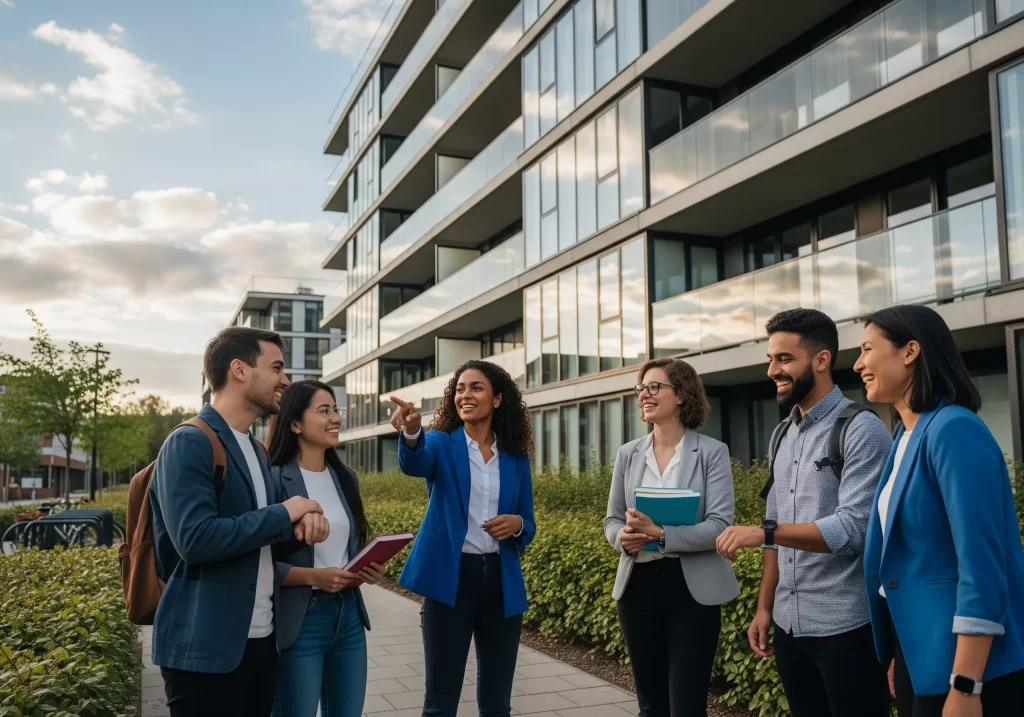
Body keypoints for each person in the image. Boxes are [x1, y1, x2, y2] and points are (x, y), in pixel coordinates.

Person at [716, 308, 892, 717]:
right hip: (789, 625)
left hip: (846, 627)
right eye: (770, 360)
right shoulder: (783, 432)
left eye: (784, 359)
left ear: (821, 360)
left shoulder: (862, 428)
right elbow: (776, 527)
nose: (772, 370)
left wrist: (765, 533)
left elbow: (854, 529)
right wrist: (764, 607)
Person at [149, 327, 330, 717]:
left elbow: (258, 531)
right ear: (239, 370)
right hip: (205, 651)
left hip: (260, 642)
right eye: (277, 367)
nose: (285, 380)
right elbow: (195, 540)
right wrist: (285, 513)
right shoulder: (190, 441)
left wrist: (299, 526)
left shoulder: (257, 450)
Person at [854, 304, 1024, 717]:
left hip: (969, 669)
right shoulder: (904, 437)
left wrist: (966, 685)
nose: (858, 364)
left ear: (910, 351)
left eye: (867, 349)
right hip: (923, 654)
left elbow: (982, 565)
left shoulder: (953, 429)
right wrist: (903, 652)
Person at [388, 359, 535, 717]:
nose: (465, 395)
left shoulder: (514, 456)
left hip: (500, 583)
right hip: (451, 583)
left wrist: (516, 523)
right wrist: (410, 432)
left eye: (476, 388)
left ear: (498, 399)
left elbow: (527, 524)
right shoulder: (440, 442)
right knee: (440, 703)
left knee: (497, 704)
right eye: (460, 389)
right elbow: (415, 463)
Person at [604, 358, 739, 717]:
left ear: (681, 395)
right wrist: (624, 538)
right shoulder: (628, 454)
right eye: (641, 389)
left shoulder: (712, 452)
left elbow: (721, 524)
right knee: (650, 704)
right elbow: (612, 520)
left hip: (693, 590)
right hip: (638, 586)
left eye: (654, 387)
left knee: (687, 705)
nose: (644, 395)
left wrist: (661, 534)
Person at [268, 380, 385, 717]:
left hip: (347, 616)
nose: (336, 418)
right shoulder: (274, 479)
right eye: (324, 411)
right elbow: (255, 564)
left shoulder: (346, 476)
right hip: (300, 621)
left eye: (336, 409)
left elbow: (348, 550)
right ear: (294, 423)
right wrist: (312, 576)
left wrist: (367, 569)